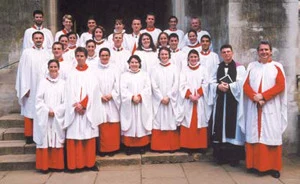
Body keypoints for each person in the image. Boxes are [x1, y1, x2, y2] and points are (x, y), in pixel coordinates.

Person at [243, 41, 287, 178]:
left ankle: (273, 167)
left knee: (270, 135)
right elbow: (245, 85)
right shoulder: (252, 67)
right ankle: (254, 165)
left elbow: (280, 86)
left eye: (266, 50)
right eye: (261, 50)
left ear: (271, 51)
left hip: (270, 106)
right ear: (258, 52)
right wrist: (255, 98)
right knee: (255, 135)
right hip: (254, 105)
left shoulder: (276, 67)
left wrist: (263, 96)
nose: (264, 52)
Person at [63, 47, 104, 172]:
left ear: (86, 57)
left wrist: (84, 105)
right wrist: (76, 105)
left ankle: (90, 163)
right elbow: (68, 92)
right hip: (74, 111)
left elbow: (94, 91)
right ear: (75, 57)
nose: (80, 58)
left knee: (88, 136)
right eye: (78, 56)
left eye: (82, 56)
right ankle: (73, 165)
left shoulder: (91, 73)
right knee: (75, 136)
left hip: (87, 110)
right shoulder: (71, 74)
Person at [210, 44, 246, 166]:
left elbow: (242, 83)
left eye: (228, 51)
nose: (226, 54)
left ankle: (234, 158)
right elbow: (210, 82)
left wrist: (230, 87)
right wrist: (218, 86)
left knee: (233, 129)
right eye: (224, 52)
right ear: (221, 54)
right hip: (220, 100)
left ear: (232, 53)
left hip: (233, 102)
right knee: (221, 128)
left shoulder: (239, 68)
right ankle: (221, 157)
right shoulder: (216, 67)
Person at [16, 31, 50, 144]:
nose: (39, 40)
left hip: (43, 85)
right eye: (36, 38)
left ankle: (40, 133)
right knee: (30, 109)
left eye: (40, 38)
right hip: (30, 86)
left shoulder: (48, 53)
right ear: (32, 40)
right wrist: (24, 88)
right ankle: (29, 135)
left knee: (41, 109)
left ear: (43, 39)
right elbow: (22, 71)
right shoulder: (27, 53)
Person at [34, 59, 66, 173]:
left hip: (57, 116)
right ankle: (44, 166)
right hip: (45, 116)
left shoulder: (63, 83)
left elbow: (65, 101)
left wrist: (56, 111)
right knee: (45, 138)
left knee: (56, 138)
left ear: (58, 68)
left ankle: (57, 165)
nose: (53, 69)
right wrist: (47, 111)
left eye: (55, 67)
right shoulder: (42, 82)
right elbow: (38, 100)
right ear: (48, 68)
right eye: (51, 67)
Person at [150, 47, 182, 152]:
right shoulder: (154, 68)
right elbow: (153, 84)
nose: (164, 56)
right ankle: (158, 146)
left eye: (166, 54)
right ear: (159, 55)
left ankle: (171, 146)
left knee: (171, 120)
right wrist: (160, 97)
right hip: (158, 101)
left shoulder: (174, 68)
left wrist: (168, 96)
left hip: (170, 100)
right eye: (162, 54)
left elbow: (176, 83)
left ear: (169, 55)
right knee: (158, 121)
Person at [179, 49, 211, 153]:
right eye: (191, 57)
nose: (193, 59)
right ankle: (188, 145)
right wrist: (189, 95)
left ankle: (200, 145)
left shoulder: (203, 69)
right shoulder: (184, 70)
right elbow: (182, 84)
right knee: (188, 120)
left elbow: (206, 83)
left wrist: (198, 94)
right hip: (188, 100)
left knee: (200, 120)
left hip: (200, 99)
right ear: (188, 58)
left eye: (195, 57)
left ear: (198, 58)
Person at [120, 55, 152, 155]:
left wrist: (140, 96)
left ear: (139, 63)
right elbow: (123, 89)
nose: (134, 64)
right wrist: (131, 97)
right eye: (132, 62)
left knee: (140, 124)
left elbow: (147, 88)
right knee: (130, 124)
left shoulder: (145, 74)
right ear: (129, 64)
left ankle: (142, 146)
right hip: (129, 104)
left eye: (136, 62)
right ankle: (129, 146)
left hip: (141, 103)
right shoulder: (124, 75)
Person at [95, 48, 121, 157]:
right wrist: (100, 95)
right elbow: (93, 85)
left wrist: (112, 94)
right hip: (100, 101)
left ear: (109, 56)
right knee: (102, 123)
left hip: (112, 100)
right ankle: (103, 149)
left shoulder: (115, 69)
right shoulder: (94, 69)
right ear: (99, 56)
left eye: (106, 55)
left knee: (112, 123)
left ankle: (113, 148)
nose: (104, 57)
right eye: (102, 55)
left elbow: (118, 83)